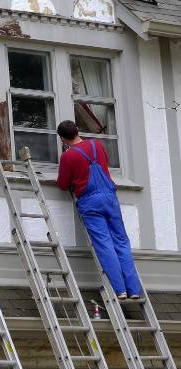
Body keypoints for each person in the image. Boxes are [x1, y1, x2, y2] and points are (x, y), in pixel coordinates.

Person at [55, 120, 141, 300]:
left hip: (89, 201)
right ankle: (133, 289)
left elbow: (63, 184)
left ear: (63, 139)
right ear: (78, 130)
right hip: (110, 197)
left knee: (104, 244)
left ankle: (120, 290)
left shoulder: (68, 157)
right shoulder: (97, 145)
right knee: (121, 242)